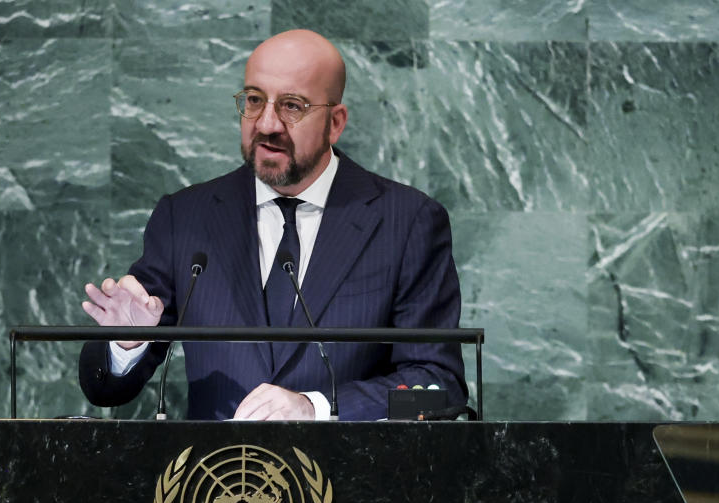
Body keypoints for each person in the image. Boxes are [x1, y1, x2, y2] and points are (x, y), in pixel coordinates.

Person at [79, 29, 466, 421]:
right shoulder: (186, 217)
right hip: (214, 479)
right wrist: (125, 344)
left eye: (292, 106)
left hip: (350, 476)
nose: (266, 124)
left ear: (335, 122)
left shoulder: (407, 221)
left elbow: (438, 389)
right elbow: (106, 389)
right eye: (253, 100)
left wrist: (316, 407)